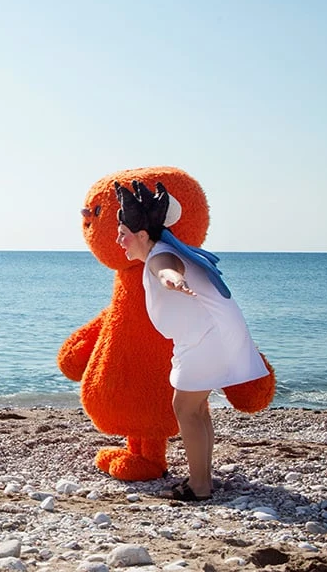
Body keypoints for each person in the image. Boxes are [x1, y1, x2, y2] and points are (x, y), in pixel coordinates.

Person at [114, 180, 269, 501]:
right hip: (212, 335)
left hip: (207, 340)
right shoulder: (164, 250)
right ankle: (203, 479)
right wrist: (173, 278)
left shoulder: (161, 255)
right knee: (196, 408)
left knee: (184, 407)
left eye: (123, 233)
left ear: (143, 236)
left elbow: (166, 270)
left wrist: (172, 279)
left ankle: (199, 486)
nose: (119, 240)